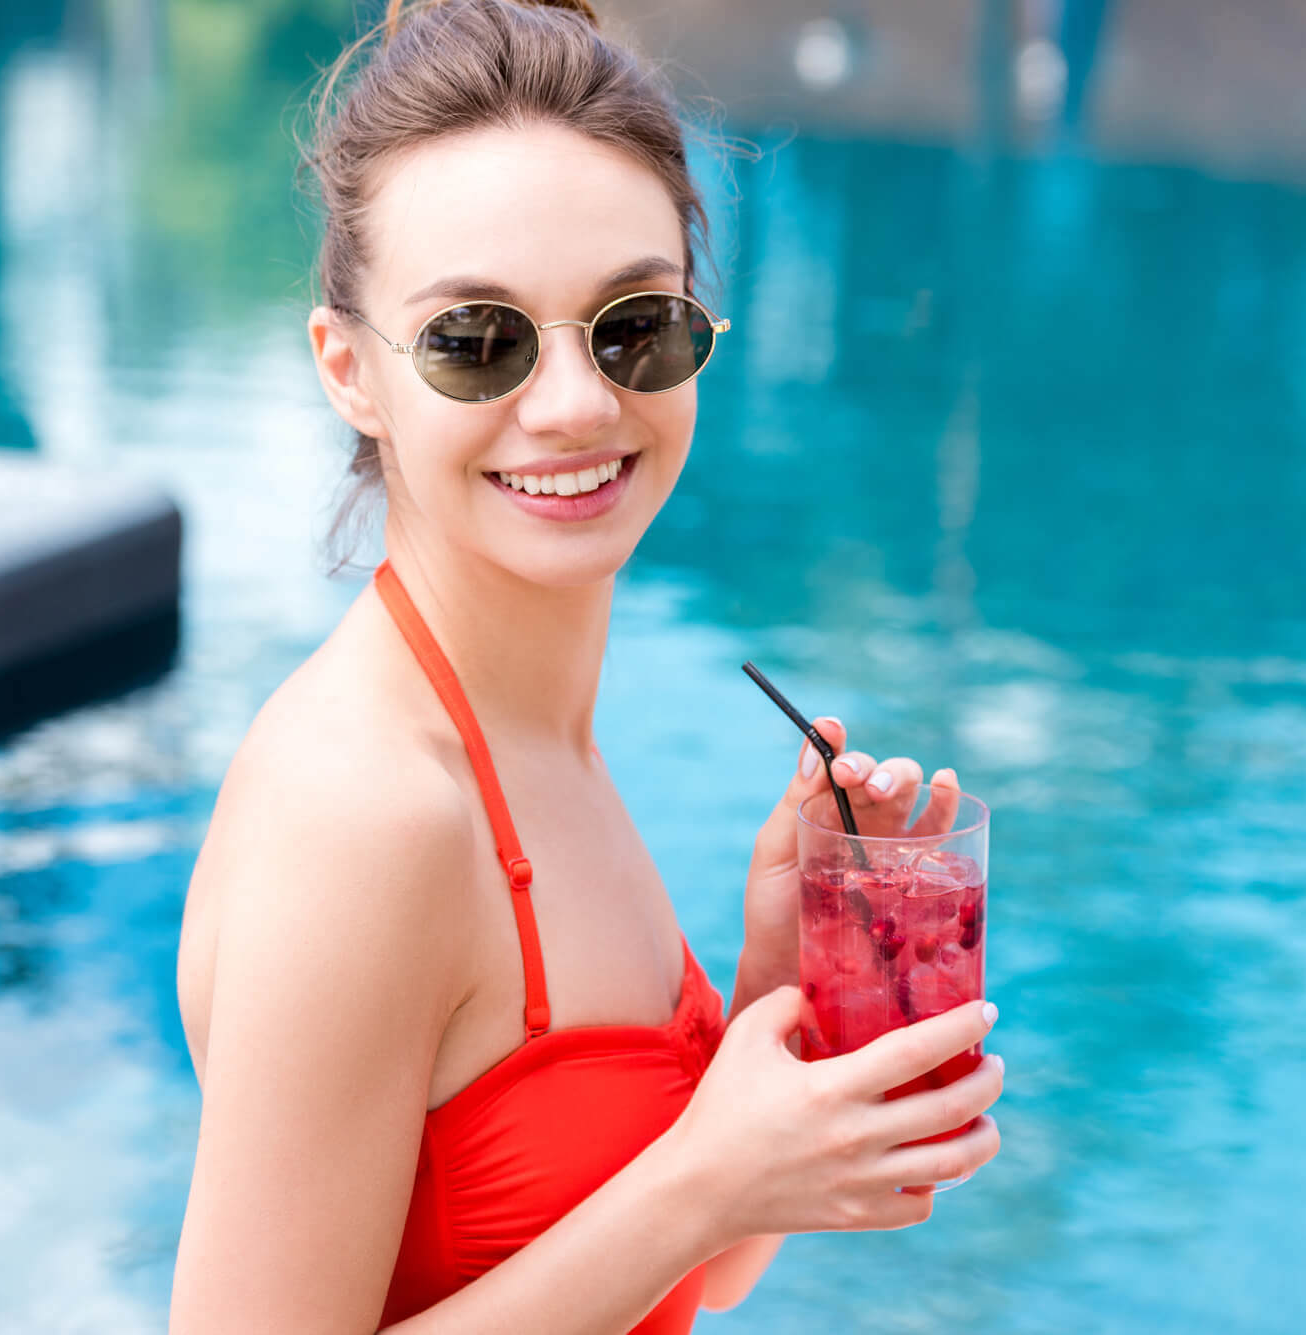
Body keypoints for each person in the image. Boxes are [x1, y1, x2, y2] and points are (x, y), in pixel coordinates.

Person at [170, 2, 1004, 1330]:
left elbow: (677, 1279)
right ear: (351, 372)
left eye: (634, 325)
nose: (572, 404)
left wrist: (773, 989)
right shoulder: (368, 814)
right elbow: (680, 1210)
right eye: (475, 338)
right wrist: (704, 1182)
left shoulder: (537, 740)